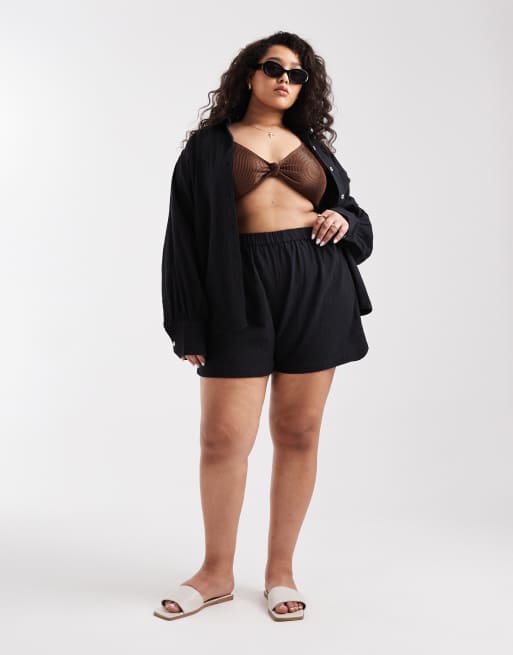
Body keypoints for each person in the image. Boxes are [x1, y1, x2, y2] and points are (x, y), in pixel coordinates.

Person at [155, 30, 373, 622]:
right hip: (237, 288)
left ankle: (281, 572)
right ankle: (215, 572)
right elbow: (183, 237)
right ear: (249, 74)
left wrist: (342, 219)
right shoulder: (207, 148)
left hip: (316, 285)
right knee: (223, 437)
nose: (284, 80)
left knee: (299, 432)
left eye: (297, 74)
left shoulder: (313, 145)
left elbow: (354, 213)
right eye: (274, 68)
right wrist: (187, 323)